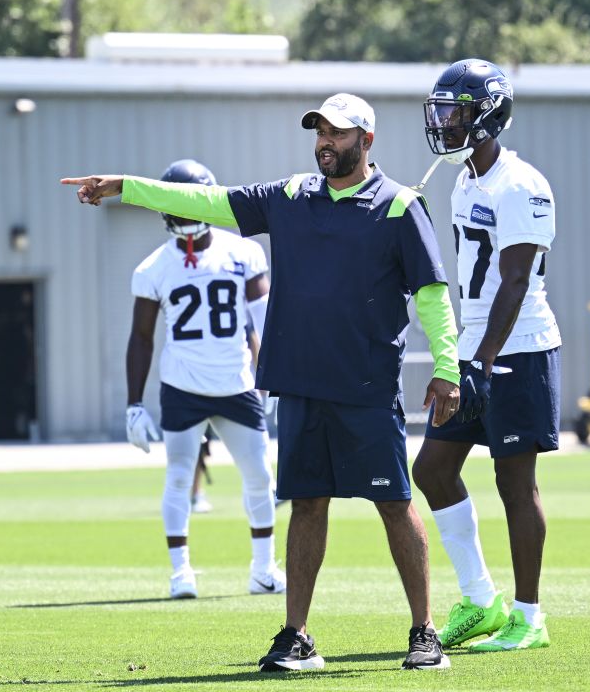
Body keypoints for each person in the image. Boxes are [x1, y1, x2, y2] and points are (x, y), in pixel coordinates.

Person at [62, 93, 477, 671]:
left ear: (367, 141)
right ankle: (297, 636)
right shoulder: (290, 197)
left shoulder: (400, 207)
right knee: (306, 506)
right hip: (300, 387)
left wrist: (447, 369)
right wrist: (126, 186)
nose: (324, 142)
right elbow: (207, 200)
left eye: (337, 133)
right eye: (319, 132)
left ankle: (423, 632)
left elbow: (433, 296)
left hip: (364, 388)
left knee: (393, 503)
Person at [412, 59, 561, 652]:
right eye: (441, 110)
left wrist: (481, 360)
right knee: (433, 470)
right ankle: (481, 600)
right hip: (477, 346)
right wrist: (462, 352)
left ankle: (529, 616)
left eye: (456, 111)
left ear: (488, 114)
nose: (445, 122)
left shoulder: (520, 184)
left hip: (517, 350)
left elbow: (516, 280)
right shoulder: (465, 179)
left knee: (514, 483)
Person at [123, 158, 285, 599]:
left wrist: (272, 377)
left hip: (236, 383)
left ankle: (263, 568)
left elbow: (261, 321)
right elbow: (141, 338)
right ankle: (181, 573)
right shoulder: (154, 267)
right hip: (183, 385)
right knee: (179, 477)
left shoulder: (244, 252)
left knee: (260, 478)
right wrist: (133, 403)